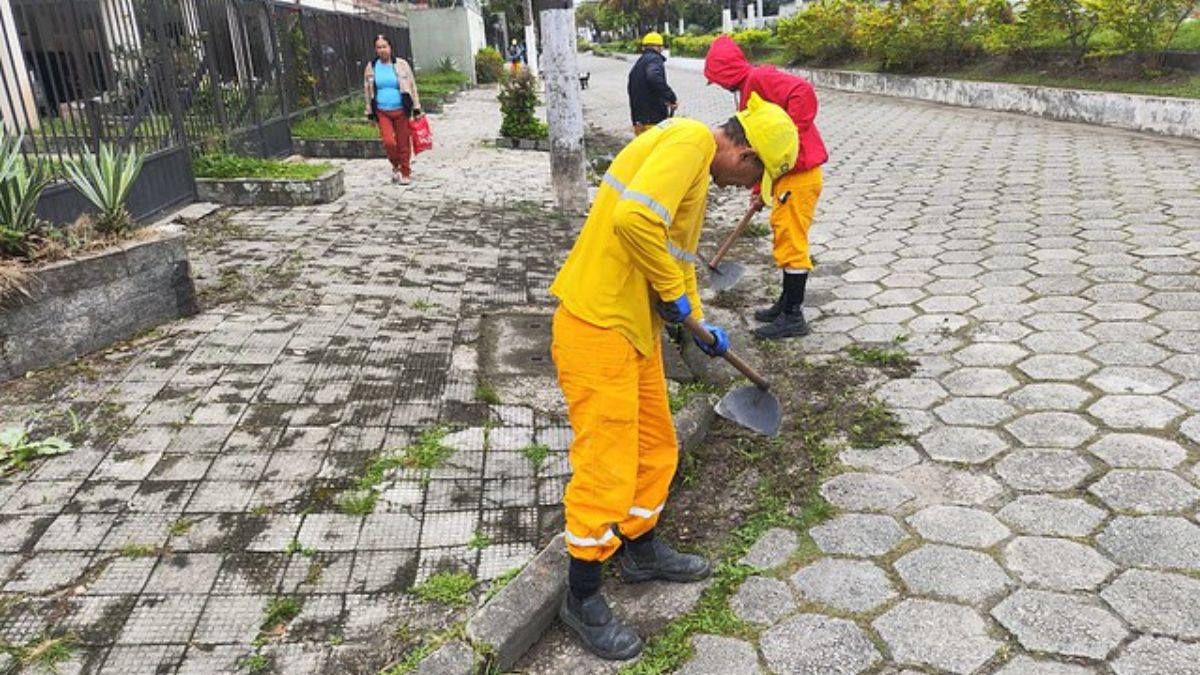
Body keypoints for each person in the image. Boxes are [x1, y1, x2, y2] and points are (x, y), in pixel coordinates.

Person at [548, 93, 798, 660]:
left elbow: (677, 261)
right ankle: (581, 594)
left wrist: (698, 323)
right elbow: (632, 220)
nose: (742, 189)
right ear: (745, 150)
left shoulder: (692, 163)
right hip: (596, 324)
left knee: (655, 444)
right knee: (606, 463)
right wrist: (674, 303)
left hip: (631, 328)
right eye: (750, 177)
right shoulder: (689, 141)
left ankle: (640, 548)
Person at [704, 34, 829, 339]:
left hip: (800, 173)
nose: (717, 85)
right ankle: (785, 303)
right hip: (784, 176)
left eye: (716, 78)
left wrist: (790, 135)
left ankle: (793, 316)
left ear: (725, 71)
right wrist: (758, 191)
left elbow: (803, 91)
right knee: (781, 232)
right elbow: (758, 153)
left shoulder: (759, 78)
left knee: (791, 240)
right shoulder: (747, 93)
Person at [363, 35, 422, 186]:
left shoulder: (401, 65)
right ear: (375, 49)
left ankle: (405, 171)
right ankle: (396, 165)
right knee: (389, 142)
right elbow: (367, 91)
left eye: (385, 46)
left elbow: (412, 86)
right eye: (379, 47)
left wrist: (416, 108)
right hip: (382, 110)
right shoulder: (371, 66)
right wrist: (369, 112)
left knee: (403, 142)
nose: (382, 50)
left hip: (401, 109)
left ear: (390, 47)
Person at [626, 32, 677, 136]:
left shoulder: (640, 62)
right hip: (653, 118)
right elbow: (654, 77)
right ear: (658, 47)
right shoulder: (655, 59)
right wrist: (671, 97)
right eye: (661, 47)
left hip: (639, 117)